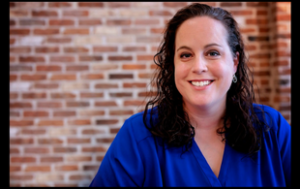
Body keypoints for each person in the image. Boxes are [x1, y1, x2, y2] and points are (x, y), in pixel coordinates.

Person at [89, 3, 291, 187]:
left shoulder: (271, 129)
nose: (199, 67)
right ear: (173, 64)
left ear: (235, 62)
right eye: (186, 55)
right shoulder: (137, 136)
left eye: (212, 53)